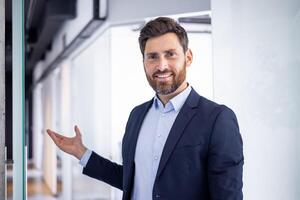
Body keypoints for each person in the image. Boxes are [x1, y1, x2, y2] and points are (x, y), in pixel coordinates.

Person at [47, 17, 243, 200]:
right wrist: (82, 153)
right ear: (144, 62)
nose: (161, 65)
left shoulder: (217, 118)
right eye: (152, 57)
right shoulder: (137, 115)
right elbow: (130, 179)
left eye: (170, 54)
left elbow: (227, 195)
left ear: (188, 57)